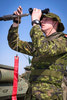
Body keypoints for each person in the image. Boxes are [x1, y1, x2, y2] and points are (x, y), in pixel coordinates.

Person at [7, 6, 67, 100]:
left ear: (56, 23)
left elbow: (44, 49)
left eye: (46, 19)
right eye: (41, 19)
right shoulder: (39, 43)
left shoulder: (63, 40)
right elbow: (14, 44)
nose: (41, 21)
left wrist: (35, 22)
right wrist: (16, 23)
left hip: (49, 95)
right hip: (32, 93)